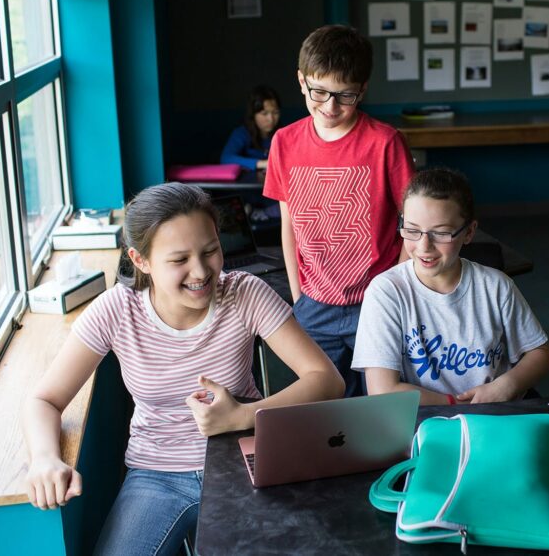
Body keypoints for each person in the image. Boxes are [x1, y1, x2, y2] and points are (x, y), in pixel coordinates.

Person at [22, 182, 343, 556]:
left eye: (211, 250)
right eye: (179, 260)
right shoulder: (116, 310)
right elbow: (43, 399)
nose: (202, 271)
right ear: (141, 260)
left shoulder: (245, 293)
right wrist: (44, 458)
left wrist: (242, 414)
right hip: (156, 475)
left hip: (247, 459)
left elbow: (326, 380)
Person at [262, 24, 416, 397]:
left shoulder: (385, 142)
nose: (330, 106)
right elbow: (289, 223)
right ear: (301, 81)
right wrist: (298, 295)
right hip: (313, 302)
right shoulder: (284, 142)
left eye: (345, 96)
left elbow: (413, 224)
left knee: (383, 404)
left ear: (362, 89)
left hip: (376, 299)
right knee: (326, 409)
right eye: (319, 92)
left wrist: (392, 289)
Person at [351, 168, 549, 405]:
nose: (424, 246)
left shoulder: (496, 286)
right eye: (413, 230)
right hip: (428, 419)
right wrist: (456, 405)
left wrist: (506, 385)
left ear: (469, 232)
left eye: (441, 233)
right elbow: (383, 390)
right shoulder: (385, 292)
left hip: (497, 413)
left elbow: (542, 354)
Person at [220, 84, 281, 170]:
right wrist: (263, 164)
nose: (271, 119)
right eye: (264, 113)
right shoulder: (241, 133)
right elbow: (226, 158)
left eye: (275, 113)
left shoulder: (282, 134)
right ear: (253, 114)